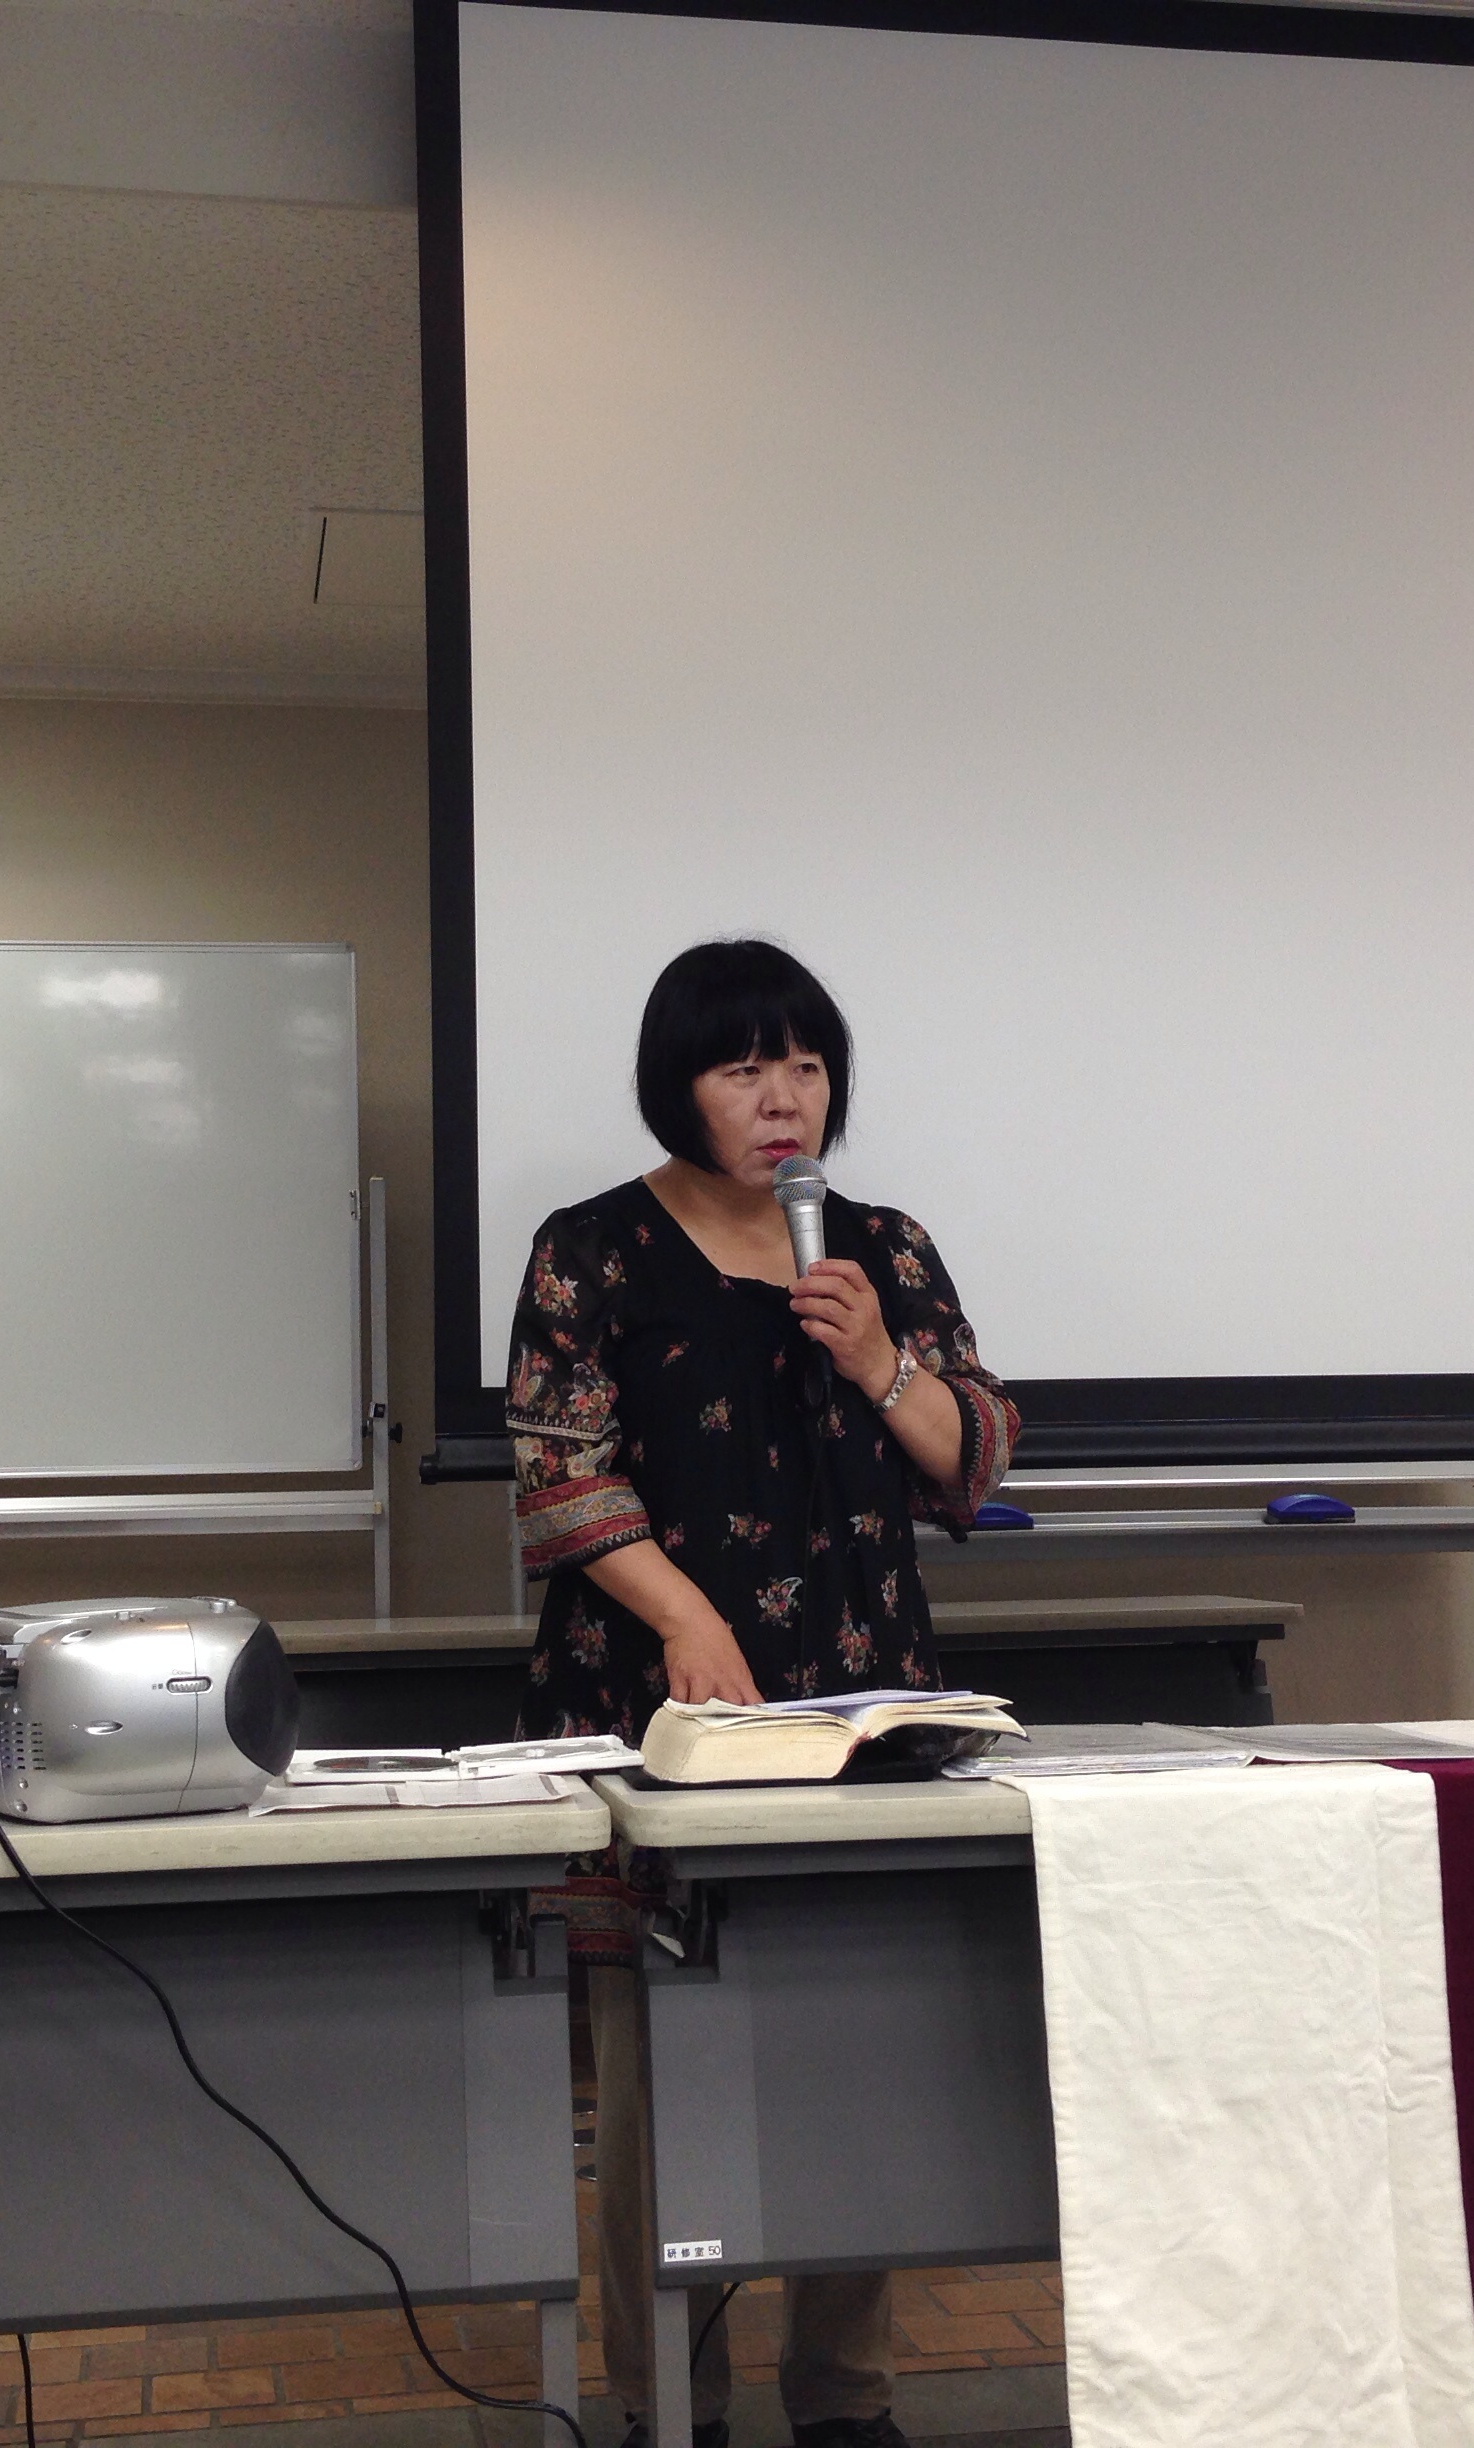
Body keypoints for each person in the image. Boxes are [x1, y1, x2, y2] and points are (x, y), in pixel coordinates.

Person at [505, 938, 1019, 2448]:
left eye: (805, 1066)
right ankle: (673, 2403)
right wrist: (686, 1617)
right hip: (660, 1706)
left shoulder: (882, 1250)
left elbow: (975, 1459)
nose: (783, 1097)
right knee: (656, 2079)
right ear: (680, 1084)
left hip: (865, 1701)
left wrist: (880, 1364)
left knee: (859, 2055)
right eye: (744, 1068)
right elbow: (558, 1470)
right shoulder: (592, 1249)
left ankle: (844, 2395)